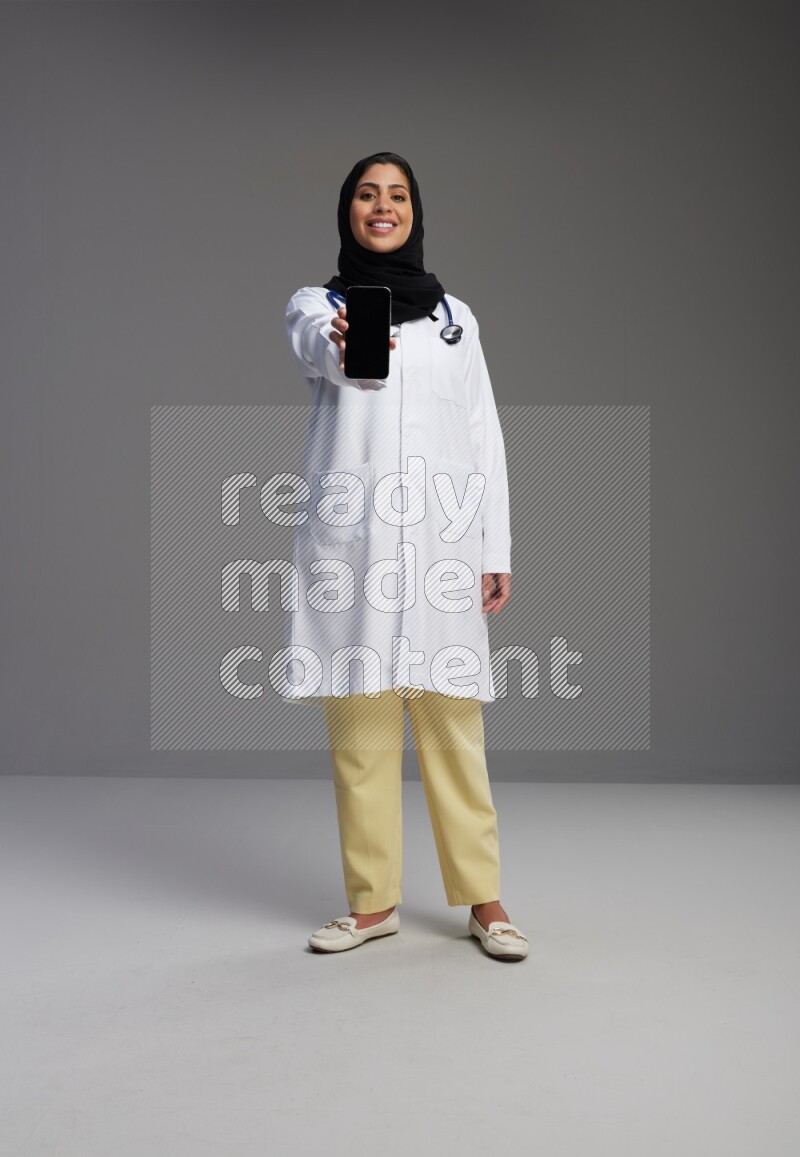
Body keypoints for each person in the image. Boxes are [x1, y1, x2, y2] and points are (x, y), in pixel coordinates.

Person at [282, 151, 528, 961]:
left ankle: (485, 901)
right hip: (356, 548)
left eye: (396, 195)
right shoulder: (317, 305)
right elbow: (317, 345)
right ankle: (373, 903)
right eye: (366, 194)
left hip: (442, 549)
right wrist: (342, 333)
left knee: (455, 732)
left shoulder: (458, 318)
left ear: (415, 211)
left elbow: (482, 432)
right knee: (362, 731)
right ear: (347, 211)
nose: (382, 207)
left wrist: (494, 543)